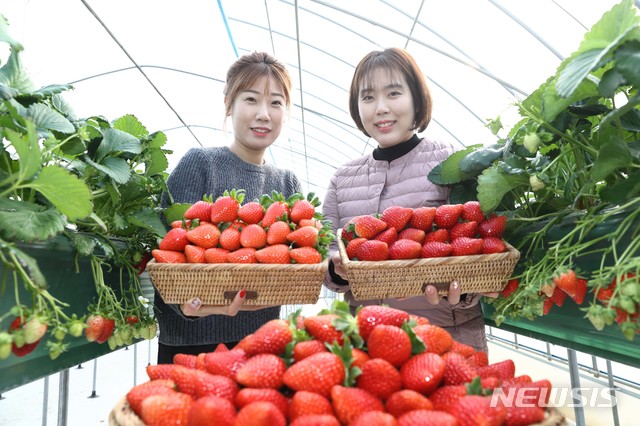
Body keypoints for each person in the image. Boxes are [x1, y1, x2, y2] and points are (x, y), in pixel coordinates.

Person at [322, 47, 494, 352]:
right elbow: (327, 254)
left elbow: (479, 243)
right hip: (367, 343)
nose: (381, 108)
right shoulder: (342, 179)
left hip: (444, 339)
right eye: (368, 97)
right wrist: (336, 269)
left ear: (417, 99)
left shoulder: (449, 162)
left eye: (393, 93)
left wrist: (465, 290)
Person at [155, 51, 302, 364]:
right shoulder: (200, 164)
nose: (264, 114)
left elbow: (296, 268)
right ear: (228, 104)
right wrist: (191, 307)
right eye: (251, 99)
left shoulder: (288, 185)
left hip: (259, 345)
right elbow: (164, 254)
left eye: (276, 102)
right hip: (192, 346)